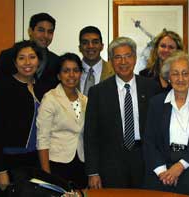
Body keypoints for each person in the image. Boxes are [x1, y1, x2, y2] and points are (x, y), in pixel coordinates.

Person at [84, 37, 158, 189]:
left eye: (128, 56)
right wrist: (93, 172)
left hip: (144, 160)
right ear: (111, 60)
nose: (123, 62)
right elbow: (91, 135)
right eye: (118, 57)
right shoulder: (98, 92)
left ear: (135, 58)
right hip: (111, 164)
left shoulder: (151, 88)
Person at [143, 51, 189, 196]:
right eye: (175, 73)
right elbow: (149, 142)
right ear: (168, 77)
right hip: (161, 173)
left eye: (185, 73)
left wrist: (180, 166)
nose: (180, 78)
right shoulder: (156, 103)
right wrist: (162, 172)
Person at [0, 40, 43, 193]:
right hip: (11, 161)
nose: (27, 62)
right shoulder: (5, 88)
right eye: (21, 58)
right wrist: (1, 170)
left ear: (38, 60)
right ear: (15, 62)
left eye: (32, 57)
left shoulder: (42, 88)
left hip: (36, 160)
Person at [36, 53, 88, 189]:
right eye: (66, 71)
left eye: (76, 70)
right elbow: (42, 138)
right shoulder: (50, 98)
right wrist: (46, 174)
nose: (71, 75)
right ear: (59, 75)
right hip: (56, 163)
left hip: (80, 162)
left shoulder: (85, 100)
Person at [78, 26, 114, 95]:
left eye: (95, 42)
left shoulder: (114, 71)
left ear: (102, 46)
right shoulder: (71, 72)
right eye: (85, 43)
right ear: (80, 48)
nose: (90, 46)